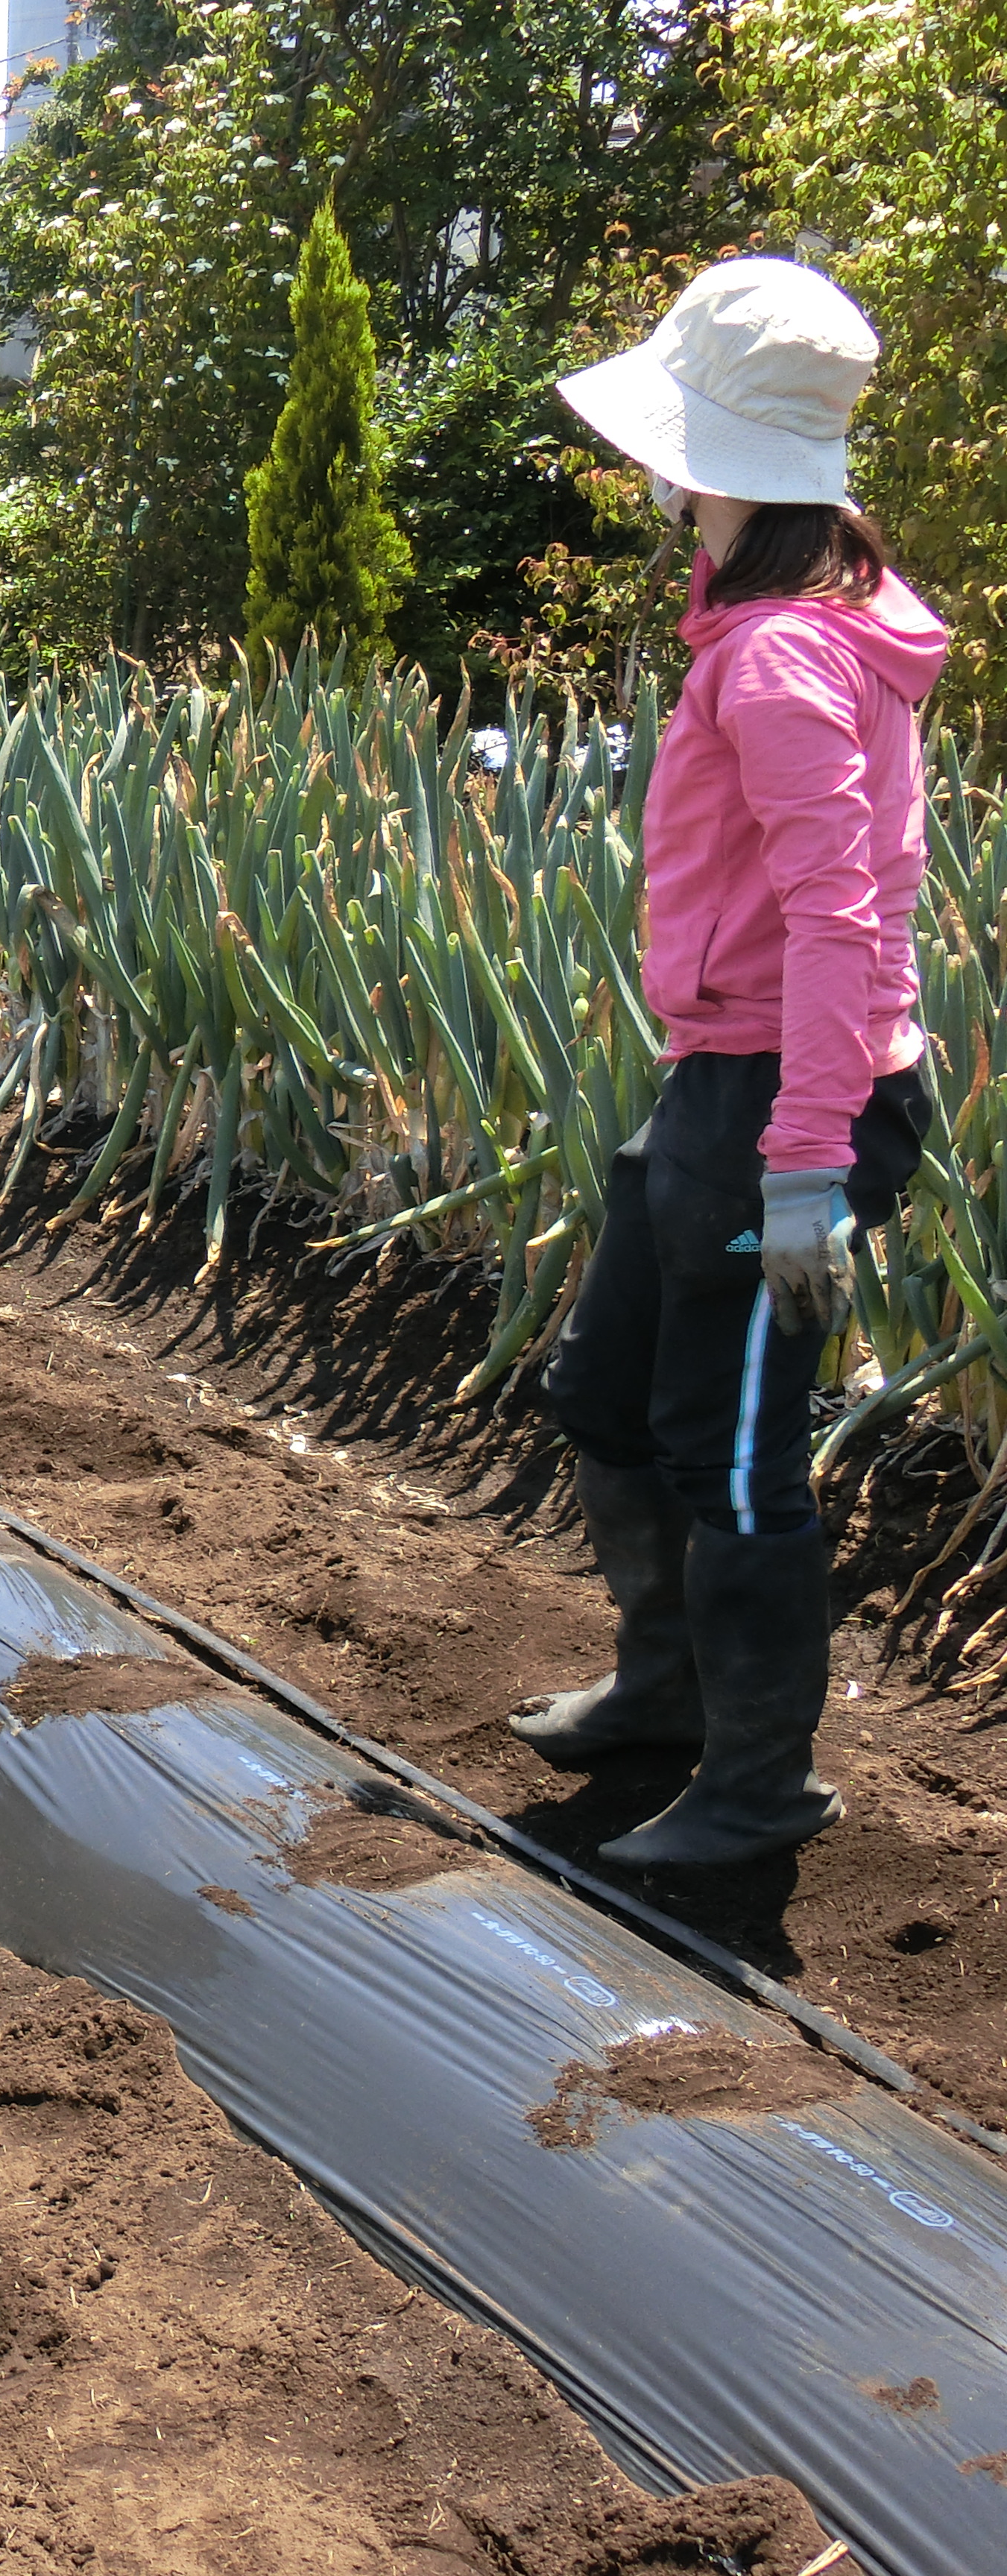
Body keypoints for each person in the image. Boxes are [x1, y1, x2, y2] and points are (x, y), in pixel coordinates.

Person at [524, 256, 945, 1869]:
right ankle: (665, 1693)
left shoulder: (779, 653)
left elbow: (845, 920)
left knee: (728, 1447)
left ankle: (761, 1784)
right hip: (726, 1080)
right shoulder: (787, 617)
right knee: (605, 1392)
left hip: (792, 1101)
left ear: (705, 456)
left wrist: (807, 1170)